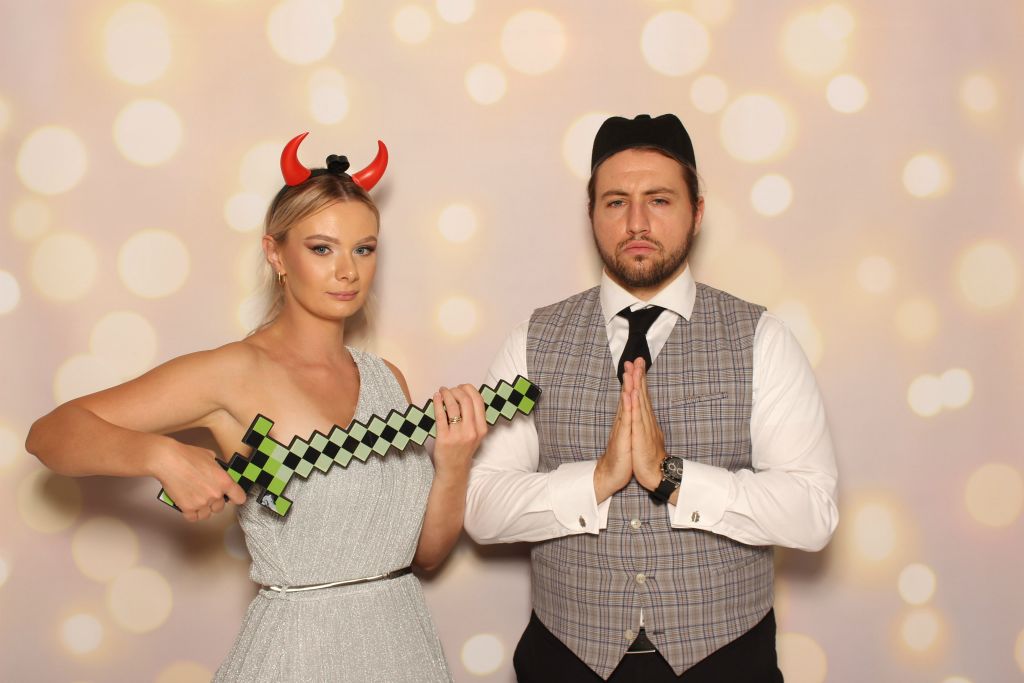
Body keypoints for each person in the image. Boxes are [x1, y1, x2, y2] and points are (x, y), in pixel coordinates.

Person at [26, 133, 487, 682]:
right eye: (322, 249)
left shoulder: (386, 379)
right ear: (276, 254)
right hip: (300, 656)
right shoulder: (233, 371)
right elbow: (48, 435)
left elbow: (422, 556)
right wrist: (159, 455)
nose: (347, 271)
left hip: (404, 648)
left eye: (363, 249)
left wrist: (454, 465)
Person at [464, 113, 839, 682]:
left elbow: (813, 513)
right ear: (591, 213)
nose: (636, 222)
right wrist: (598, 480)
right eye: (616, 202)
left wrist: (672, 476)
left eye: (659, 200)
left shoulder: (761, 338)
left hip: (725, 663)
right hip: (565, 662)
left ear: (697, 212)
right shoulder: (531, 341)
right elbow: (481, 507)